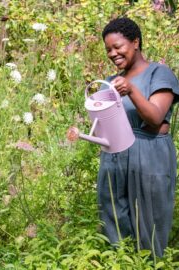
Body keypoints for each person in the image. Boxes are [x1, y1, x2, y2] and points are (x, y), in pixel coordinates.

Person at [97, 17, 179, 257]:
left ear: (135, 42)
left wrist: (131, 90)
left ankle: (150, 262)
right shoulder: (110, 82)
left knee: (149, 215)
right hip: (114, 153)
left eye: (118, 47)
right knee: (113, 212)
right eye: (108, 50)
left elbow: (155, 118)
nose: (113, 54)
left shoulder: (159, 73)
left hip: (149, 151)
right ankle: (121, 261)